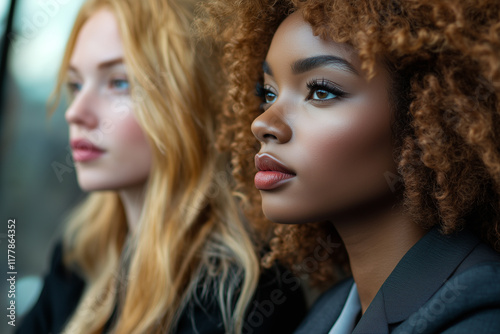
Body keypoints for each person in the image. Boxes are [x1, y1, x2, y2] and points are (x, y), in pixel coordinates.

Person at [202, 0, 500, 332]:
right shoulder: (328, 312)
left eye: (321, 91)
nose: (262, 123)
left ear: (431, 116)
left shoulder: (477, 309)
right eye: (269, 94)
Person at [17, 0, 306, 333]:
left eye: (118, 83)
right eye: (75, 84)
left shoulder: (244, 294)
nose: (76, 112)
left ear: (189, 99)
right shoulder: (78, 254)